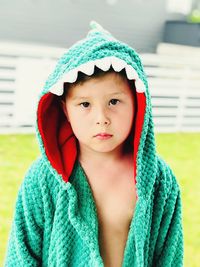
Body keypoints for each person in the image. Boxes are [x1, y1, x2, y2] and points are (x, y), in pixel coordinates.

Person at [4, 21, 184, 267]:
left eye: (114, 102)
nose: (102, 119)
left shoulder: (159, 181)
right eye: (85, 104)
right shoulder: (42, 180)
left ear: (139, 104)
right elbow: (20, 258)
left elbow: (170, 258)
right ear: (65, 110)